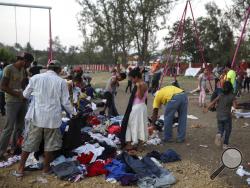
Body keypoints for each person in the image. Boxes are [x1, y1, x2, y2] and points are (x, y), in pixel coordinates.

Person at [13, 60, 73, 177]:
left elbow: (25, 95)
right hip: (53, 118)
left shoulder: (35, 78)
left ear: (47, 68)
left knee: (29, 143)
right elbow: (65, 102)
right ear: (59, 70)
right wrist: (73, 113)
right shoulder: (61, 82)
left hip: (37, 117)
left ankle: (20, 169)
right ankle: (46, 169)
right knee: (50, 144)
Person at [0, 52, 33, 160]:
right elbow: (3, 86)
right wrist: (18, 94)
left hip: (23, 101)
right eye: (29, 63)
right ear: (24, 61)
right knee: (8, 128)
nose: (29, 65)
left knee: (19, 127)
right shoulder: (8, 69)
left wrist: (26, 91)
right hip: (11, 102)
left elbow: (24, 83)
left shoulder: (23, 70)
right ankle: (1, 151)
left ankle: (14, 148)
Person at [204, 81, 237, 149]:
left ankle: (219, 134)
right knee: (228, 130)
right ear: (231, 88)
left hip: (219, 115)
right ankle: (225, 144)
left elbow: (213, 102)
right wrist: (233, 112)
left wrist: (207, 108)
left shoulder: (220, 95)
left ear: (223, 88)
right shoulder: (232, 96)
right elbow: (234, 106)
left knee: (221, 129)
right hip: (227, 116)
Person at [124, 68, 148, 151]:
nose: (131, 80)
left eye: (132, 78)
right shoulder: (139, 83)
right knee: (133, 124)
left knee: (138, 125)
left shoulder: (142, 84)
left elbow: (140, 96)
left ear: (136, 77)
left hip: (139, 107)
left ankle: (139, 145)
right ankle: (133, 143)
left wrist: (138, 87)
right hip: (137, 107)